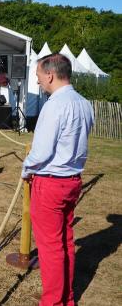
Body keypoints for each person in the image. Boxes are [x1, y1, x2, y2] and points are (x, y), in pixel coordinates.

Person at [22, 53, 94, 306]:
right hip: (72, 180)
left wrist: (26, 169)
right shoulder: (85, 103)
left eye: (39, 76)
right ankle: (67, 298)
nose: (38, 82)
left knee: (50, 248)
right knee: (65, 242)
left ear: (50, 74)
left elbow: (41, 152)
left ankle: (53, 302)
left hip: (51, 182)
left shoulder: (54, 105)